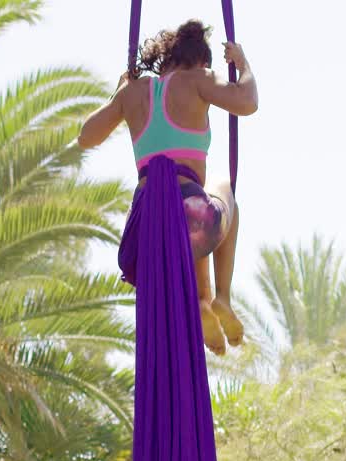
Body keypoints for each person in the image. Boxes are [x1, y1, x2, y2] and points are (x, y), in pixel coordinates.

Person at [79, 19, 258, 355]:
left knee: (183, 210)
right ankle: (222, 296)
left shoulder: (133, 93)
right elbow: (247, 102)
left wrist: (118, 93)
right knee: (223, 189)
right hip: (195, 218)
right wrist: (242, 63)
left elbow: (85, 138)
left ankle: (202, 302)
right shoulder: (199, 79)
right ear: (201, 61)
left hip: (149, 230)